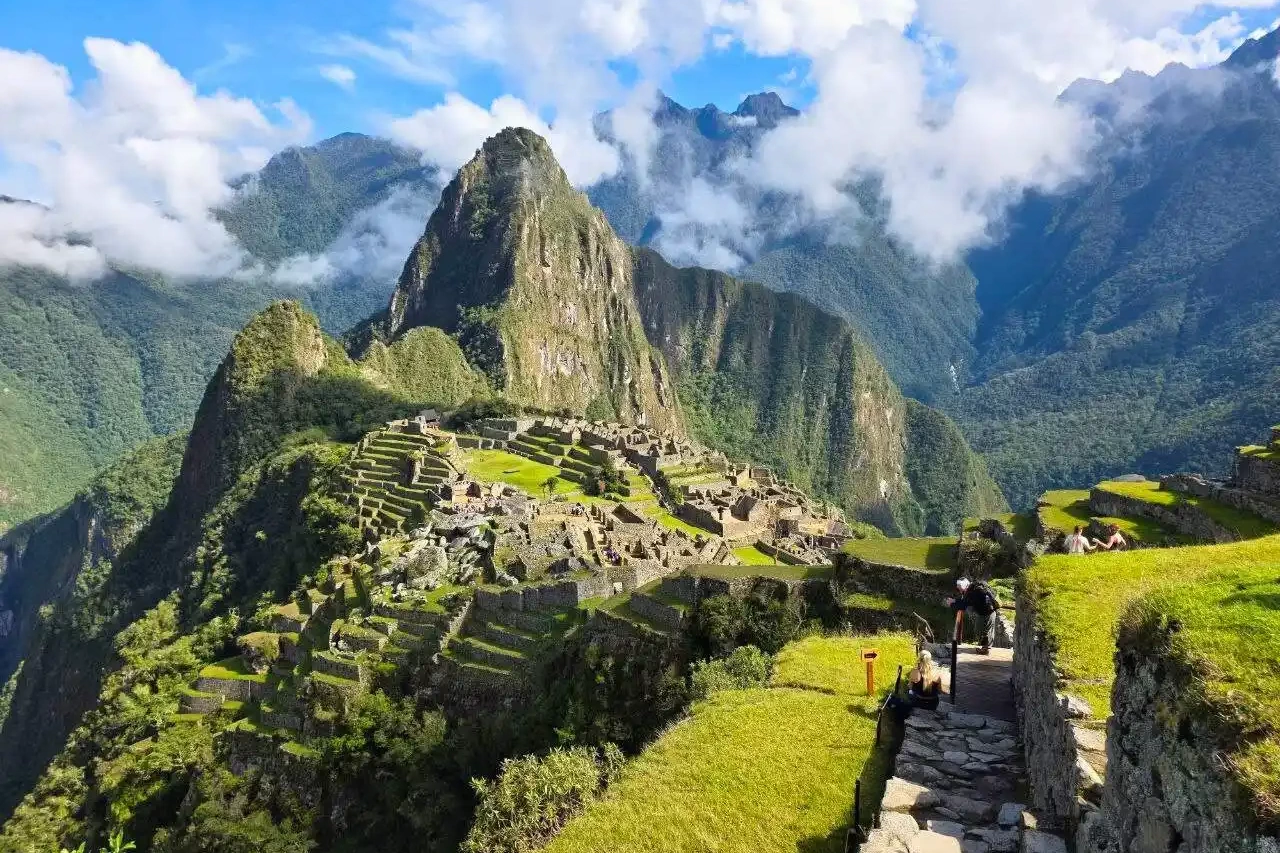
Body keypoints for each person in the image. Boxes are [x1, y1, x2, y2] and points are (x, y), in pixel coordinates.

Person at [887, 650, 944, 721]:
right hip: (933, 704)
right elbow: (940, 691)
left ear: (919, 659)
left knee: (899, 701)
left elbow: (910, 687)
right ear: (930, 660)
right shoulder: (937, 673)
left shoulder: (915, 671)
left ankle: (897, 718)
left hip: (918, 702)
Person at [947, 577, 998, 654]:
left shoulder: (973, 592)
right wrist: (954, 601)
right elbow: (966, 601)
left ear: (964, 586)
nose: (959, 590)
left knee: (985, 631)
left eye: (960, 588)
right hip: (987, 611)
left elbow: (964, 605)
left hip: (988, 612)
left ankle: (986, 650)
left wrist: (952, 603)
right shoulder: (974, 588)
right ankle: (985, 648)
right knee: (981, 630)